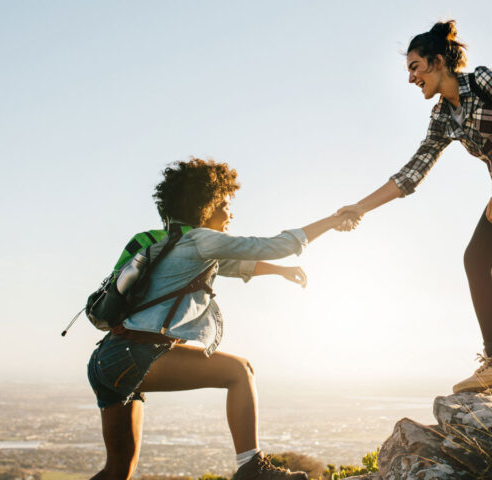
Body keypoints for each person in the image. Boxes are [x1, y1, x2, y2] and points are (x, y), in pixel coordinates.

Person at [337, 20, 492, 408]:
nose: (411, 77)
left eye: (415, 67)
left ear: (437, 62)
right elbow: (411, 174)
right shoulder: (443, 117)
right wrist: (359, 208)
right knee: (475, 259)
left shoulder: (484, 81)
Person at [87, 158, 350, 480]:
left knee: (117, 470)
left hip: (106, 361)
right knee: (239, 371)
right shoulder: (201, 239)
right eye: (224, 205)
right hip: (137, 356)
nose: (230, 213)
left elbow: (237, 266)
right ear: (206, 205)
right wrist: (331, 221)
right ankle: (251, 467)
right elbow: (273, 245)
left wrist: (281, 272)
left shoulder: (170, 242)